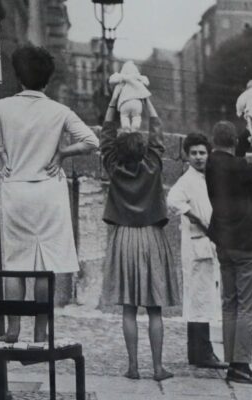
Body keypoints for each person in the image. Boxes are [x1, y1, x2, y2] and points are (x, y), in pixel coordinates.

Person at [0, 45, 99, 343]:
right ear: (47, 80)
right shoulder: (60, 111)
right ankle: (41, 330)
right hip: (49, 192)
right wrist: (62, 153)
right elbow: (91, 141)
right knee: (43, 266)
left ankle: (13, 329)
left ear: (18, 77)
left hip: (16, 190)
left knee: (16, 262)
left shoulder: (2, 108)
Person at [100, 92, 180, 382]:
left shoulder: (113, 166)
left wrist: (113, 102)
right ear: (144, 149)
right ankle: (158, 368)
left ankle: (133, 367)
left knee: (129, 309)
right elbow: (158, 135)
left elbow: (106, 138)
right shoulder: (153, 165)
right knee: (155, 309)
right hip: (151, 237)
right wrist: (147, 101)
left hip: (123, 238)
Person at [205, 121, 252, 385]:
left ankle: (232, 362)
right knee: (247, 307)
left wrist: (247, 133)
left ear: (214, 141)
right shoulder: (239, 167)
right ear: (232, 141)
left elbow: (235, 156)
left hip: (224, 242)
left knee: (230, 304)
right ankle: (242, 365)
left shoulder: (212, 163)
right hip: (246, 243)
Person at [167, 133, 227, 370]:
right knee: (199, 298)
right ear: (187, 155)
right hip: (197, 244)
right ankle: (203, 352)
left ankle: (197, 352)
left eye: (202, 153)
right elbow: (172, 201)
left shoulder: (208, 177)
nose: (199, 157)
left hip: (209, 243)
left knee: (202, 298)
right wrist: (194, 215)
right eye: (194, 153)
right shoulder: (187, 180)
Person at [108, 60, 151, 131]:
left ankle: (126, 128)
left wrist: (114, 100)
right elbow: (146, 82)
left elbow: (115, 94)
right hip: (136, 102)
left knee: (124, 116)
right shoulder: (137, 79)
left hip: (124, 102)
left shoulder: (122, 80)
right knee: (136, 116)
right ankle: (135, 127)